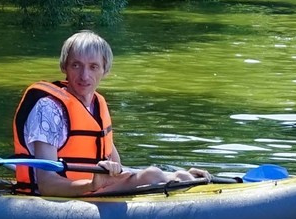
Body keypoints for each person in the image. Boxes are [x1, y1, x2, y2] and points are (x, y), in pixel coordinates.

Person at [10, 31, 208, 196]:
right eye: (76, 65)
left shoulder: (97, 106)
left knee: (165, 175)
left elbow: (118, 170)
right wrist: (92, 185)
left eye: (93, 66)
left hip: (94, 193)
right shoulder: (48, 109)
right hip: (58, 201)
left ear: (105, 70)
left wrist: (175, 176)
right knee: (151, 175)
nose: (84, 76)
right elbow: (47, 185)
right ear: (64, 67)